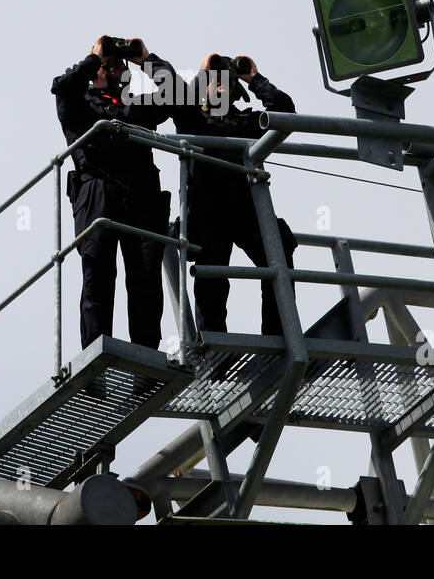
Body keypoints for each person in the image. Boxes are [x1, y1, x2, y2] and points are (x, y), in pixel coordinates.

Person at [51, 35, 181, 350]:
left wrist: (146, 59)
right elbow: (63, 85)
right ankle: (97, 357)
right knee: (98, 275)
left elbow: (176, 95)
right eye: (103, 65)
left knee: (146, 278)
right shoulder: (77, 103)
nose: (109, 68)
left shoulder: (136, 105)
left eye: (115, 65)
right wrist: (95, 56)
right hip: (96, 191)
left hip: (141, 193)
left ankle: (146, 359)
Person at [172, 53, 298, 336]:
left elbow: (285, 112)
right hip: (207, 208)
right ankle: (213, 346)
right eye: (214, 82)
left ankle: (279, 336)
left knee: (278, 252)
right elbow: (179, 104)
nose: (220, 86)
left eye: (227, 82)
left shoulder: (247, 120)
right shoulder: (195, 119)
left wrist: (254, 79)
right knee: (212, 278)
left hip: (245, 205)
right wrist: (203, 72)